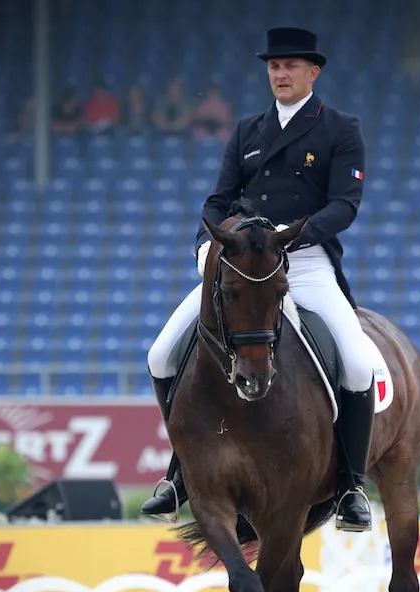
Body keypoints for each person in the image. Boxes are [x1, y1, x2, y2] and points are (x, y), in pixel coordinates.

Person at [142, 27, 375, 532]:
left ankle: (352, 487)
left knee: (358, 365)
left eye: (290, 66)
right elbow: (218, 198)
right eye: (273, 66)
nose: (280, 74)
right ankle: (180, 471)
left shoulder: (339, 128)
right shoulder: (248, 130)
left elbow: (345, 205)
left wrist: (295, 236)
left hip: (304, 261)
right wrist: (206, 241)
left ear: (313, 72)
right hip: (242, 264)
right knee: (160, 355)